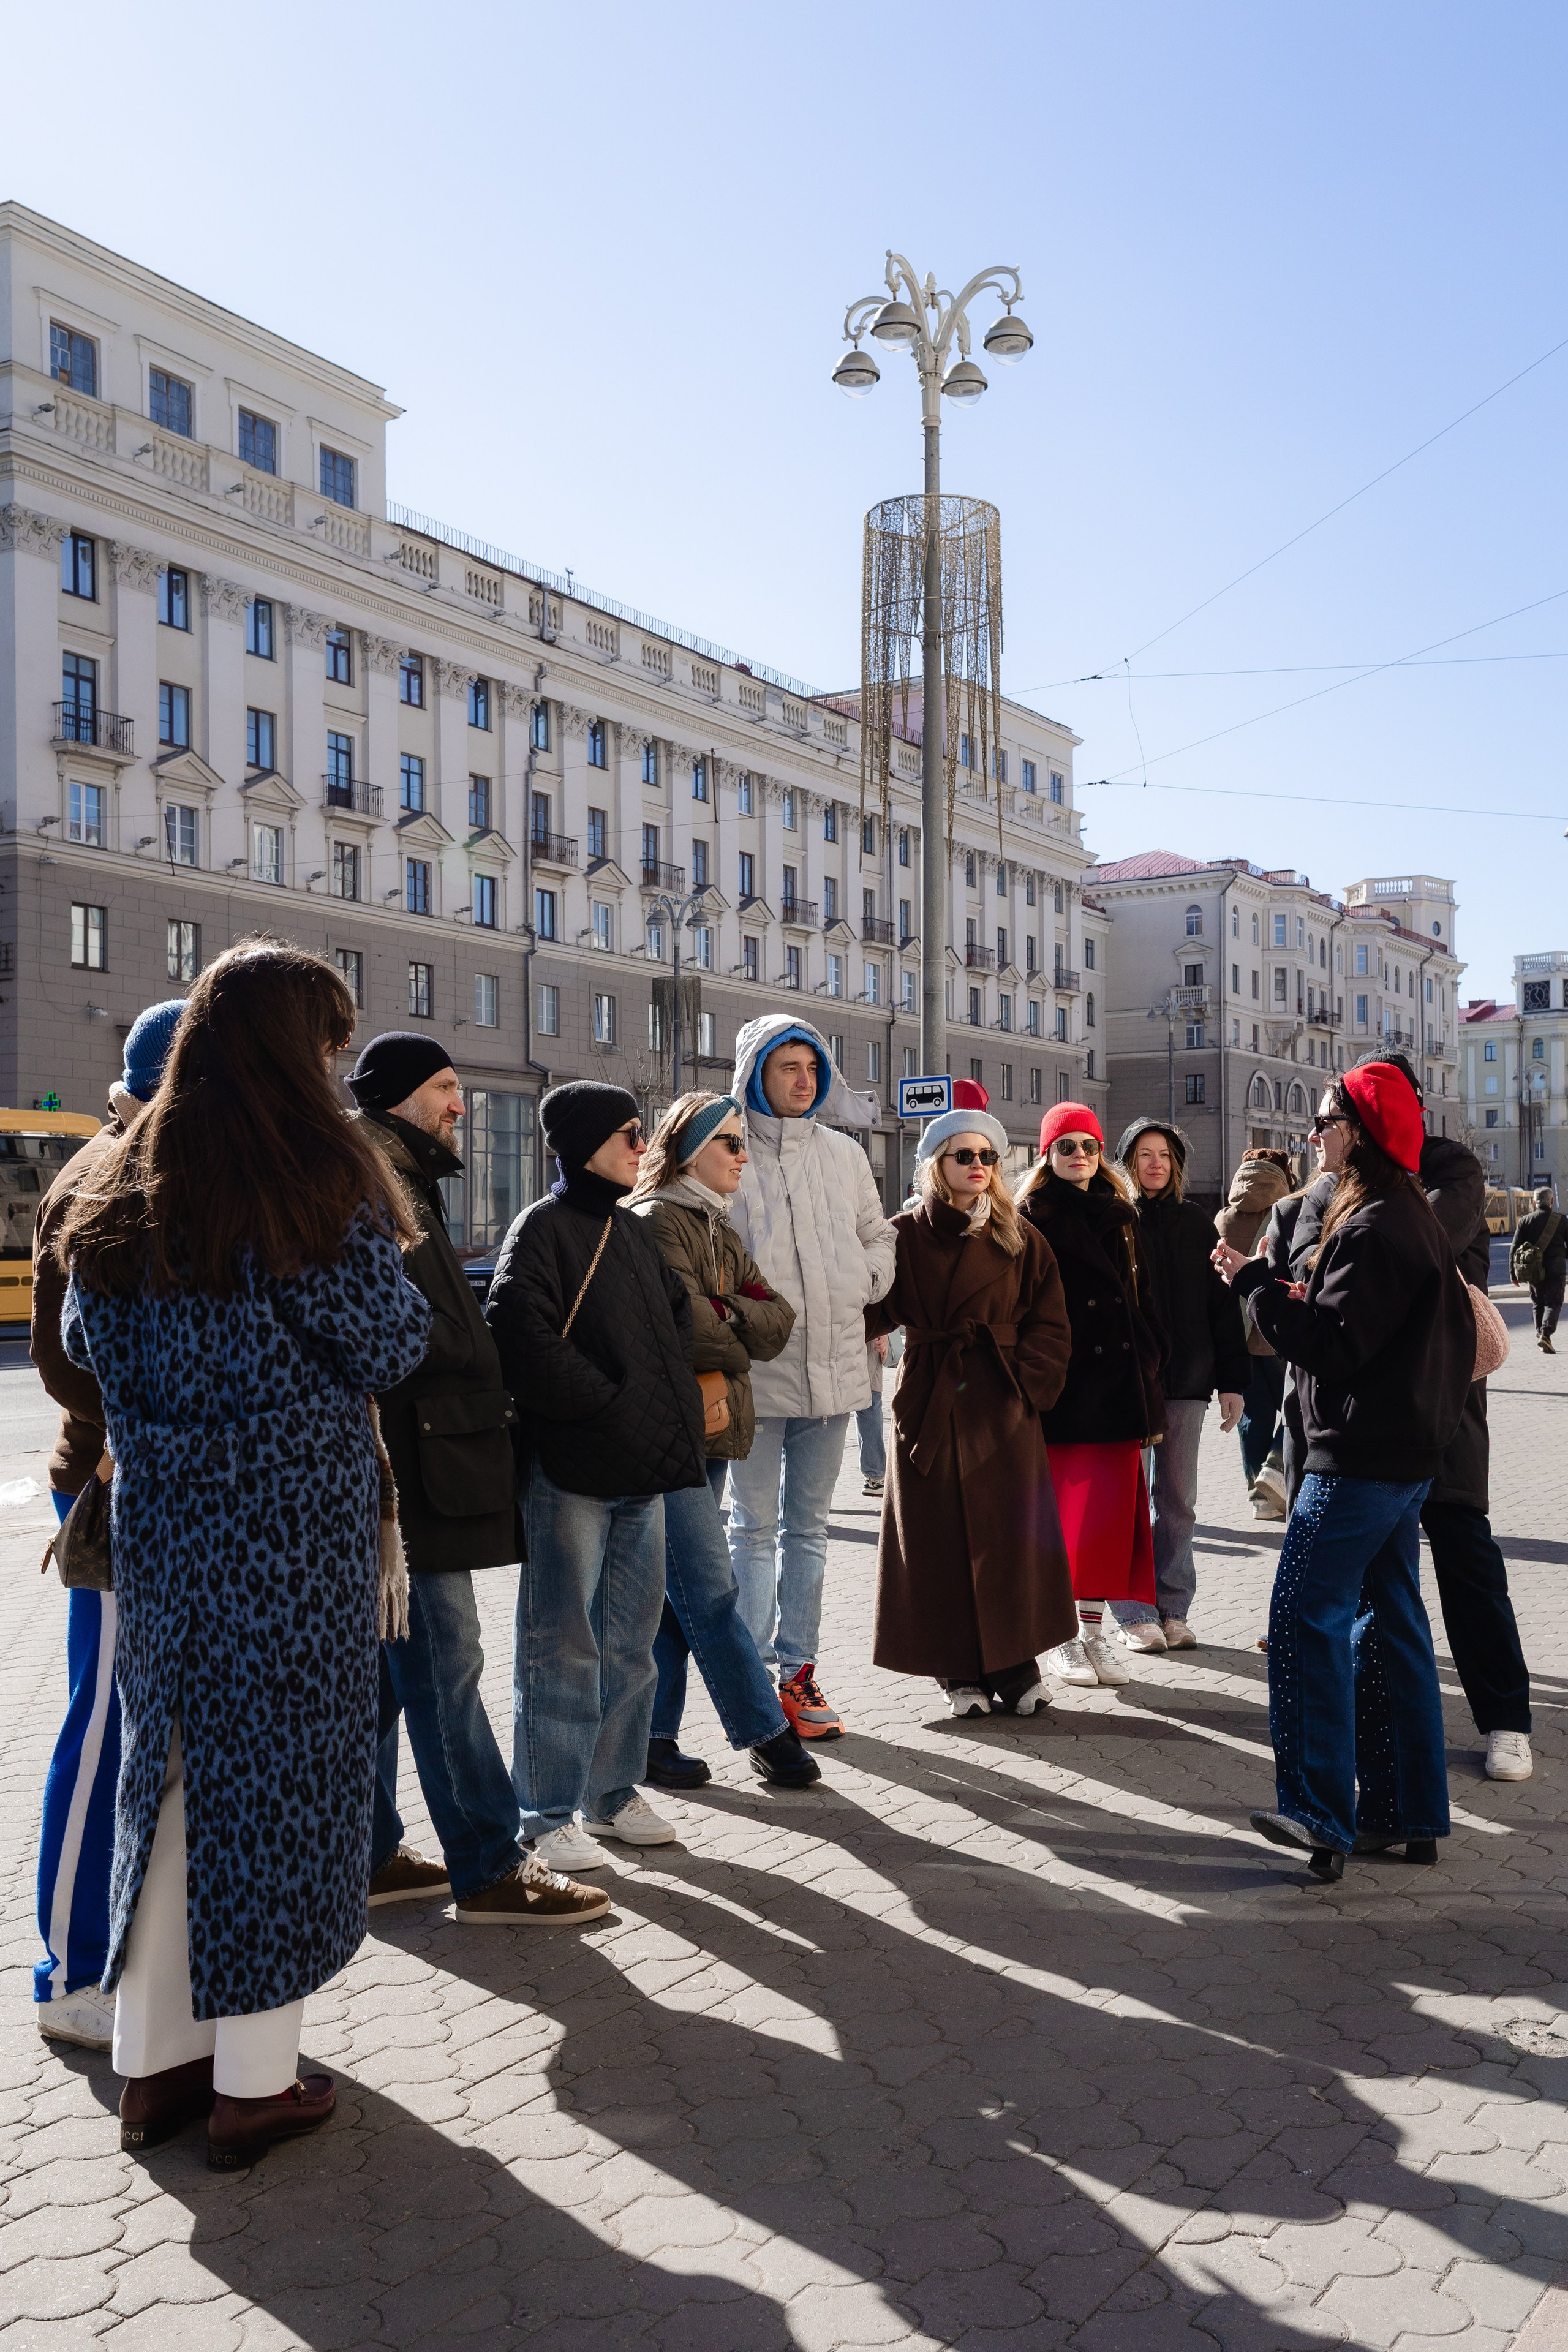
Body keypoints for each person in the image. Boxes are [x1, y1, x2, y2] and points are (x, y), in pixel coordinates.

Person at [55, 943, 434, 2166]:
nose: (334, 1068)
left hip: (168, 1527)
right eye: (328, 1044)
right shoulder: (308, 1180)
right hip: (292, 1534)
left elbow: (79, 1344)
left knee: (169, 1780)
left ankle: (154, 2067)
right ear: (292, 1048)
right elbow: (389, 1343)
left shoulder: (121, 1176)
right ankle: (253, 2085)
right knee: (277, 1792)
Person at [347, 1033, 606, 1926]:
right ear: (396, 1097)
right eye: (444, 1087)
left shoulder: (403, 1173)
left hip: (424, 1457)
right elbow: (383, 1325)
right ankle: (490, 1865)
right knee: (446, 1662)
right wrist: (470, 1349)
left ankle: (367, 1852)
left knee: (393, 1672)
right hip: (404, 1466)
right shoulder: (369, 1175)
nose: (460, 1104)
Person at [1213, 1062, 1475, 1881]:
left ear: (1360, 1133)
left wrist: (1254, 1283)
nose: (1313, 1134)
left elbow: (1331, 1346)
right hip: (1400, 1457)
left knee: (1303, 1618)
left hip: (1358, 1459)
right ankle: (1405, 1814)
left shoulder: (1372, 1227)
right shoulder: (1405, 1216)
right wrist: (1278, 1286)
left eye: (1324, 1121)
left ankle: (1318, 1811)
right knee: (1388, 1622)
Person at [1283, 1054, 1533, 1781]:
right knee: (1374, 1588)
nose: (1324, 1133)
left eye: (1335, 1118)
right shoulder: (1329, 1183)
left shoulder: (1448, 1169)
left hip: (1437, 1404)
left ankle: (1506, 1719)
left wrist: (1330, 1266)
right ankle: (1382, 1741)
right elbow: (1304, 1260)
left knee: (1465, 1559)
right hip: (1351, 1418)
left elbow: (1407, 1247)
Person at [486, 1082, 708, 1870]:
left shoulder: (630, 1229)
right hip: (573, 1470)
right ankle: (545, 1814)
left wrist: (653, 1412)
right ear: (584, 1142)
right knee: (561, 1646)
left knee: (631, 1645)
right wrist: (608, 1405)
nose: (641, 1147)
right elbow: (519, 1334)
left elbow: (676, 1328)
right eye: (628, 1133)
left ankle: (611, 1795)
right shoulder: (540, 1228)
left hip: (641, 1472)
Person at [30, 1000, 184, 2050]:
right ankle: (69, 1972)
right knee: (105, 1726)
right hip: (110, 1482)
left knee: (134, 1724)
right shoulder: (107, 1175)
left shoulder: (153, 1162)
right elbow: (60, 1360)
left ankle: (120, 1958)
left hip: (141, 1478)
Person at [628, 1092, 818, 1792]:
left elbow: (779, 1320)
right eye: (730, 1143)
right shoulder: (657, 1220)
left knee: (672, 1602)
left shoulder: (716, 1223)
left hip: (708, 1430)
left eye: (743, 1142)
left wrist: (727, 1317)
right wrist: (737, 1326)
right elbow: (685, 1329)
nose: (743, 1156)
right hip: (669, 1430)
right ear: (688, 1149)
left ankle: (651, 1740)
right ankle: (767, 1733)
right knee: (708, 1589)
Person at [869, 1109, 1076, 1717]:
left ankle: (1016, 1666)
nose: (978, 1166)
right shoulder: (903, 1234)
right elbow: (866, 1305)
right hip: (930, 1400)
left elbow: (1051, 1321)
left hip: (1001, 1400)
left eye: (987, 1156)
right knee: (936, 1541)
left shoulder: (1018, 1234)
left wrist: (1027, 1383)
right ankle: (956, 1671)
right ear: (936, 1164)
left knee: (1009, 1537)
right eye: (963, 1156)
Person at [726, 1016, 897, 1739]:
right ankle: (746, 1680)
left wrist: (861, 1281)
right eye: (787, 1067)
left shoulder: (844, 1153)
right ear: (755, 1074)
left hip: (833, 1375)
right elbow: (705, 1248)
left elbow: (878, 1236)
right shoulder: (726, 1149)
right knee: (751, 1530)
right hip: (755, 1376)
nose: (803, 1080)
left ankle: (797, 1673)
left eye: (812, 1067)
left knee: (810, 1532)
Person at [1017, 1104, 1166, 1689]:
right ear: (1047, 1155)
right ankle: (1061, 1639)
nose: (1079, 1155)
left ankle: (1093, 1633)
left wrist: (1150, 1355)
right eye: (1067, 1146)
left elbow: (1143, 1298)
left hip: (1120, 1391)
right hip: (1066, 1392)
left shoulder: (1122, 1215)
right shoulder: (1029, 1217)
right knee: (1065, 1525)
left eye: (1089, 1146)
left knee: (1106, 1528)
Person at [1110, 1120, 1249, 1651]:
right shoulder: (1115, 1221)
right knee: (1126, 1502)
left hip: (1187, 1384)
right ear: (1127, 1162)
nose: (1156, 1164)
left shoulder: (1197, 1224)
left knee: (1178, 1502)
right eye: (1145, 1154)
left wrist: (1233, 1381)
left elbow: (1223, 1309)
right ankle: (1133, 1611)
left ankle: (1173, 1608)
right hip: (1127, 1386)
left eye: (1165, 1155)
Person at [1216, 1150, 1295, 1518]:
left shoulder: (1223, 1218)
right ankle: (1276, 1470)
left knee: (1253, 1417)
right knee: (1298, 1408)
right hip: (1278, 1330)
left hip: (1239, 1332)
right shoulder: (1290, 1212)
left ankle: (1261, 1499)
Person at [1512, 1186, 1566, 1352]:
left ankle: (1540, 1335)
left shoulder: (1525, 1221)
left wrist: (1513, 1274)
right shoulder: (1561, 1220)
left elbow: (1515, 1248)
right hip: (1556, 1268)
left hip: (1533, 1269)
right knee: (1553, 1302)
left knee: (1538, 1302)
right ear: (1552, 1201)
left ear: (1534, 1202)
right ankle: (1546, 1335)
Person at [857, 1338, 888, 1494]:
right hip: (867, 1342)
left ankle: (875, 1475)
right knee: (869, 1404)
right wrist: (883, 1332)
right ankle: (875, 1476)